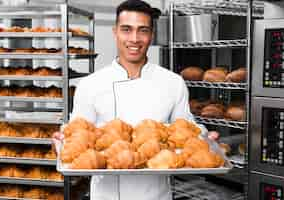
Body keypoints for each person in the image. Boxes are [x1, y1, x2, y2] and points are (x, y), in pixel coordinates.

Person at [53, 0, 218, 199]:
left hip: (155, 194)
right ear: (115, 33)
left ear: (152, 35)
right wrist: (61, 145)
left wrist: (205, 137)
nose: (134, 38)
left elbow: (185, 128)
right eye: (126, 29)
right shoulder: (90, 85)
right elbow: (77, 135)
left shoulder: (173, 83)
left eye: (143, 30)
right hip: (106, 195)